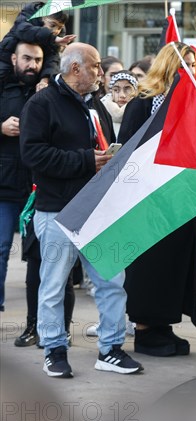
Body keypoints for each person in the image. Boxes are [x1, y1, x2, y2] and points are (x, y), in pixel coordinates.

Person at [20, 42, 143, 377]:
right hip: (57, 210)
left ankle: (111, 349)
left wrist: (108, 160)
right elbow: (33, 155)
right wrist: (87, 160)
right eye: (96, 67)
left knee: (112, 282)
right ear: (76, 69)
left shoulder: (95, 105)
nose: (101, 73)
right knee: (53, 285)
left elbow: (99, 147)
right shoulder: (41, 104)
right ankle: (55, 350)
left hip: (97, 209)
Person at [118, 42, 196, 357]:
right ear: (168, 65)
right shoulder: (143, 101)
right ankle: (144, 330)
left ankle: (164, 324)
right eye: (184, 64)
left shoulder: (194, 104)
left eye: (193, 64)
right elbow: (125, 151)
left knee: (174, 265)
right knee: (150, 266)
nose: (190, 70)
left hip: (181, 199)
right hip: (148, 200)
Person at [1, 42, 43, 314]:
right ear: (14, 58)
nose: (32, 65)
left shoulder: (47, 90)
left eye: (38, 60)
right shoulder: (3, 86)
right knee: (1, 248)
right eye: (27, 58)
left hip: (36, 187)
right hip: (3, 185)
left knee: (40, 257)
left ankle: (37, 321)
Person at [0, 2, 74, 84]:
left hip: (33, 74)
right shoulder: (27, 19)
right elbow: (23, 30)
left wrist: (45, 78)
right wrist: (53, 39)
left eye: (60, 27)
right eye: (52, 25)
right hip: (5, 61)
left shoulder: (57, 36)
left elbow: (52, 59)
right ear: (42, 18)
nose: (56, 31)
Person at [100, 70, 138, 137]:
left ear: (135, 92)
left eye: (127, 89)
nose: (122, 95)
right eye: (116, 90)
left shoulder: (141, 113)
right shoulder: (100, 112)